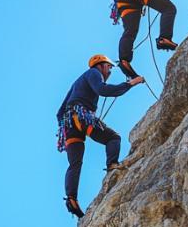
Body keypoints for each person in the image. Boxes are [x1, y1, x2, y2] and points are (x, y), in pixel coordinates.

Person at [56, 55, 143, 218]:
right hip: (80, 116)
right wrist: (131, 83)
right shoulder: (94, 73)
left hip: (69, 124)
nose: (109, 71)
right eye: (109, 67)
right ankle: (112, 164)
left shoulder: (77, 82)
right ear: (101, 65)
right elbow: (103, 90)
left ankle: (71, 198)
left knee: (75, 163)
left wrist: (66, 129)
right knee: (113, 138)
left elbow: (59, 113)